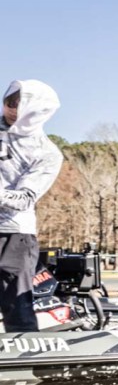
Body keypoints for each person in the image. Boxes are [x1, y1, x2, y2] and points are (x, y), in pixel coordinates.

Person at [0, 81, 63, 332]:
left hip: (12, 234)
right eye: (9, 101)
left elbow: (24, 198)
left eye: (18, 105)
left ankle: (24, 354)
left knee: (16, 307)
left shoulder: (47, 152)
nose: (10, 109)